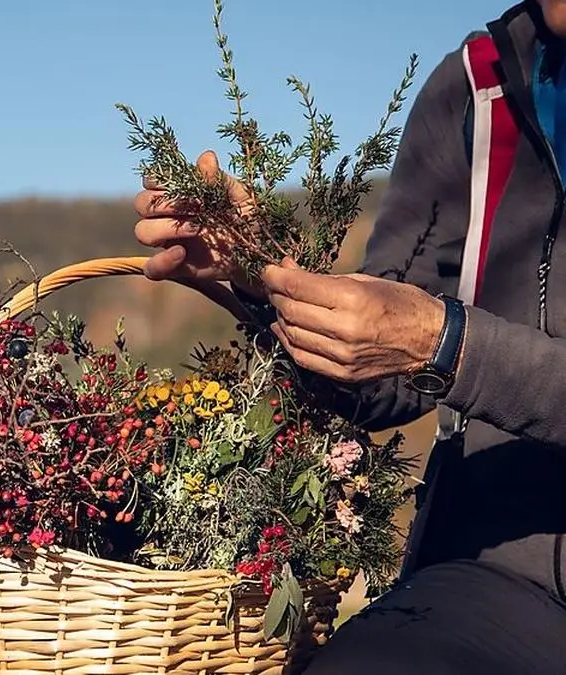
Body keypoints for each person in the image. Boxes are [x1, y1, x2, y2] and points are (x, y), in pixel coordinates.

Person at [133, 1, 566, 673]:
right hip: (495, 580)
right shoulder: (477, 87)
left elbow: (438, 344)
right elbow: (388, 382)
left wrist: (451, 346)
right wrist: (266, 277)